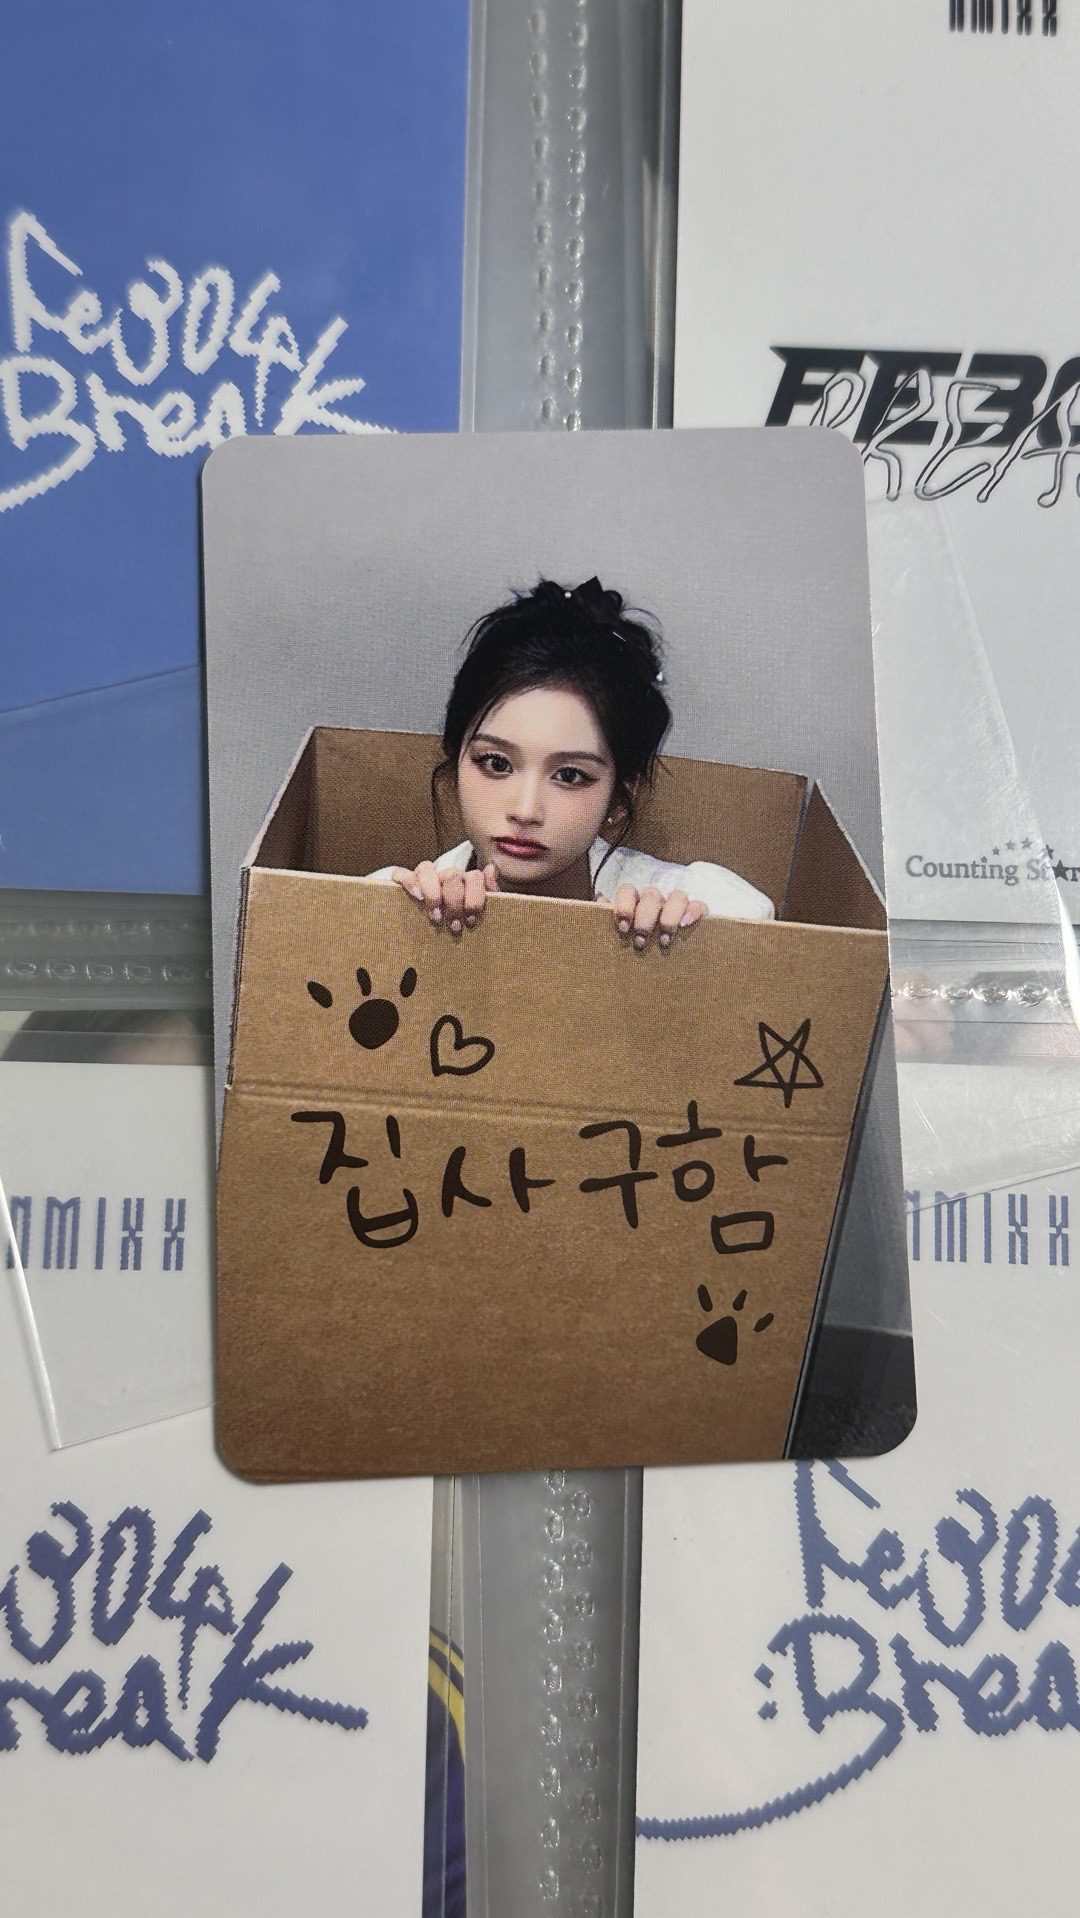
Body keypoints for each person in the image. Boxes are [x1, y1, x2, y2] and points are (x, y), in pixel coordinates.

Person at [372, 577, 774, 944]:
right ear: (455, 765)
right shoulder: (390, 901)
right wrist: (406, 927)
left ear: (619, 798)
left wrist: (686, 950)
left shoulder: (685, 900)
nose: (525, 811)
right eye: (496, 763)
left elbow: (755, 921)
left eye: (569, 775)